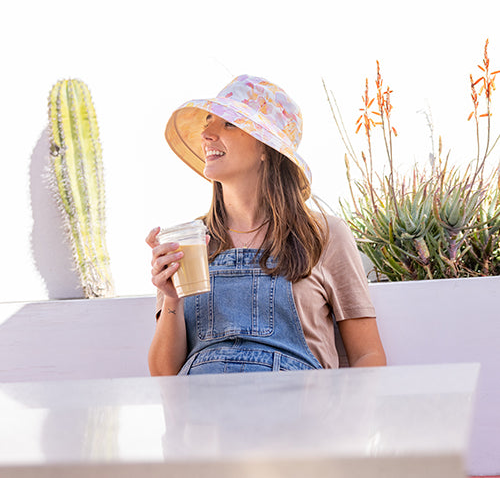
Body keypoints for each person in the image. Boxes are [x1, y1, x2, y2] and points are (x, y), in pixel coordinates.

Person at [146, 74, 386, 376]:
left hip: (294, 417)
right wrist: (171, 297)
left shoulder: (324, 235)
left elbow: (368, 354)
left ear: (265, 149)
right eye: (208, 121)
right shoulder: (189, 242)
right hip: (203, 416)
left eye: (228, 123)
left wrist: (341, 420)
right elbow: (165, 376)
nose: (206, 133)